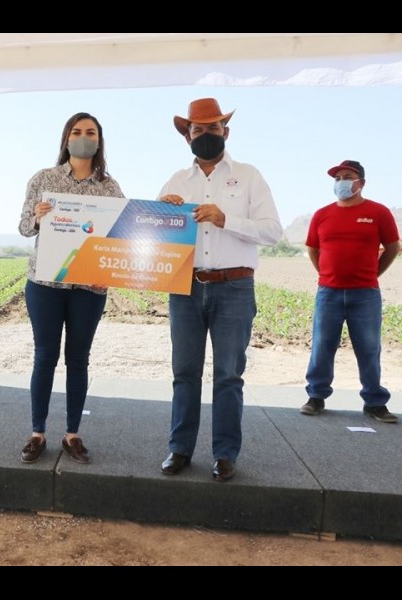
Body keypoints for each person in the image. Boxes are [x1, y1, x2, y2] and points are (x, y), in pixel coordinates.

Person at [159, 98, 282, 482]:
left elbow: (272, 232)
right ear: (188, 137)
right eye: (198, 129)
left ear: (225, 131)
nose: (206, 134)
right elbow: (154, 236)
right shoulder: (176, 182)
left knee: (228, 375)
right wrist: (162, 213)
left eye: (213, 128)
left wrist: (226, 219)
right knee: (184, 372)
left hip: (235, 286)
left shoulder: (248, 176)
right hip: (185, 288)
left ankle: (225, 454)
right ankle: (180, 449)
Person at [18, 112, 125, 465]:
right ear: (66, 139)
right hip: (45, 284)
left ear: (99, 140)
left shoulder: (110, 188)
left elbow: (120, 238)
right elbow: (23, 228)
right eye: (77, 132)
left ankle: (72, 434)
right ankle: (37, 433)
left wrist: (108, 271)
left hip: (88, 288)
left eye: (90, 132)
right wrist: (37, 216)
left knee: (78, 359)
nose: (83, 137)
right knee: (45, 356)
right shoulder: (43, 179)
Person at [300, 160, 400, 423]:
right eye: (337, 178)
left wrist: (374, 273)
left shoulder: (378, 212)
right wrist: (326, 274)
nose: (341, 182)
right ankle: (316, 396)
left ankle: (375, 402)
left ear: (360, 183)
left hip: (365, 294)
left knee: (369, 347)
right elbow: (312, 248)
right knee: (322, 345)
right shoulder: (322, 215)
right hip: (328, 293)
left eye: (347, 177)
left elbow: (393, 247)